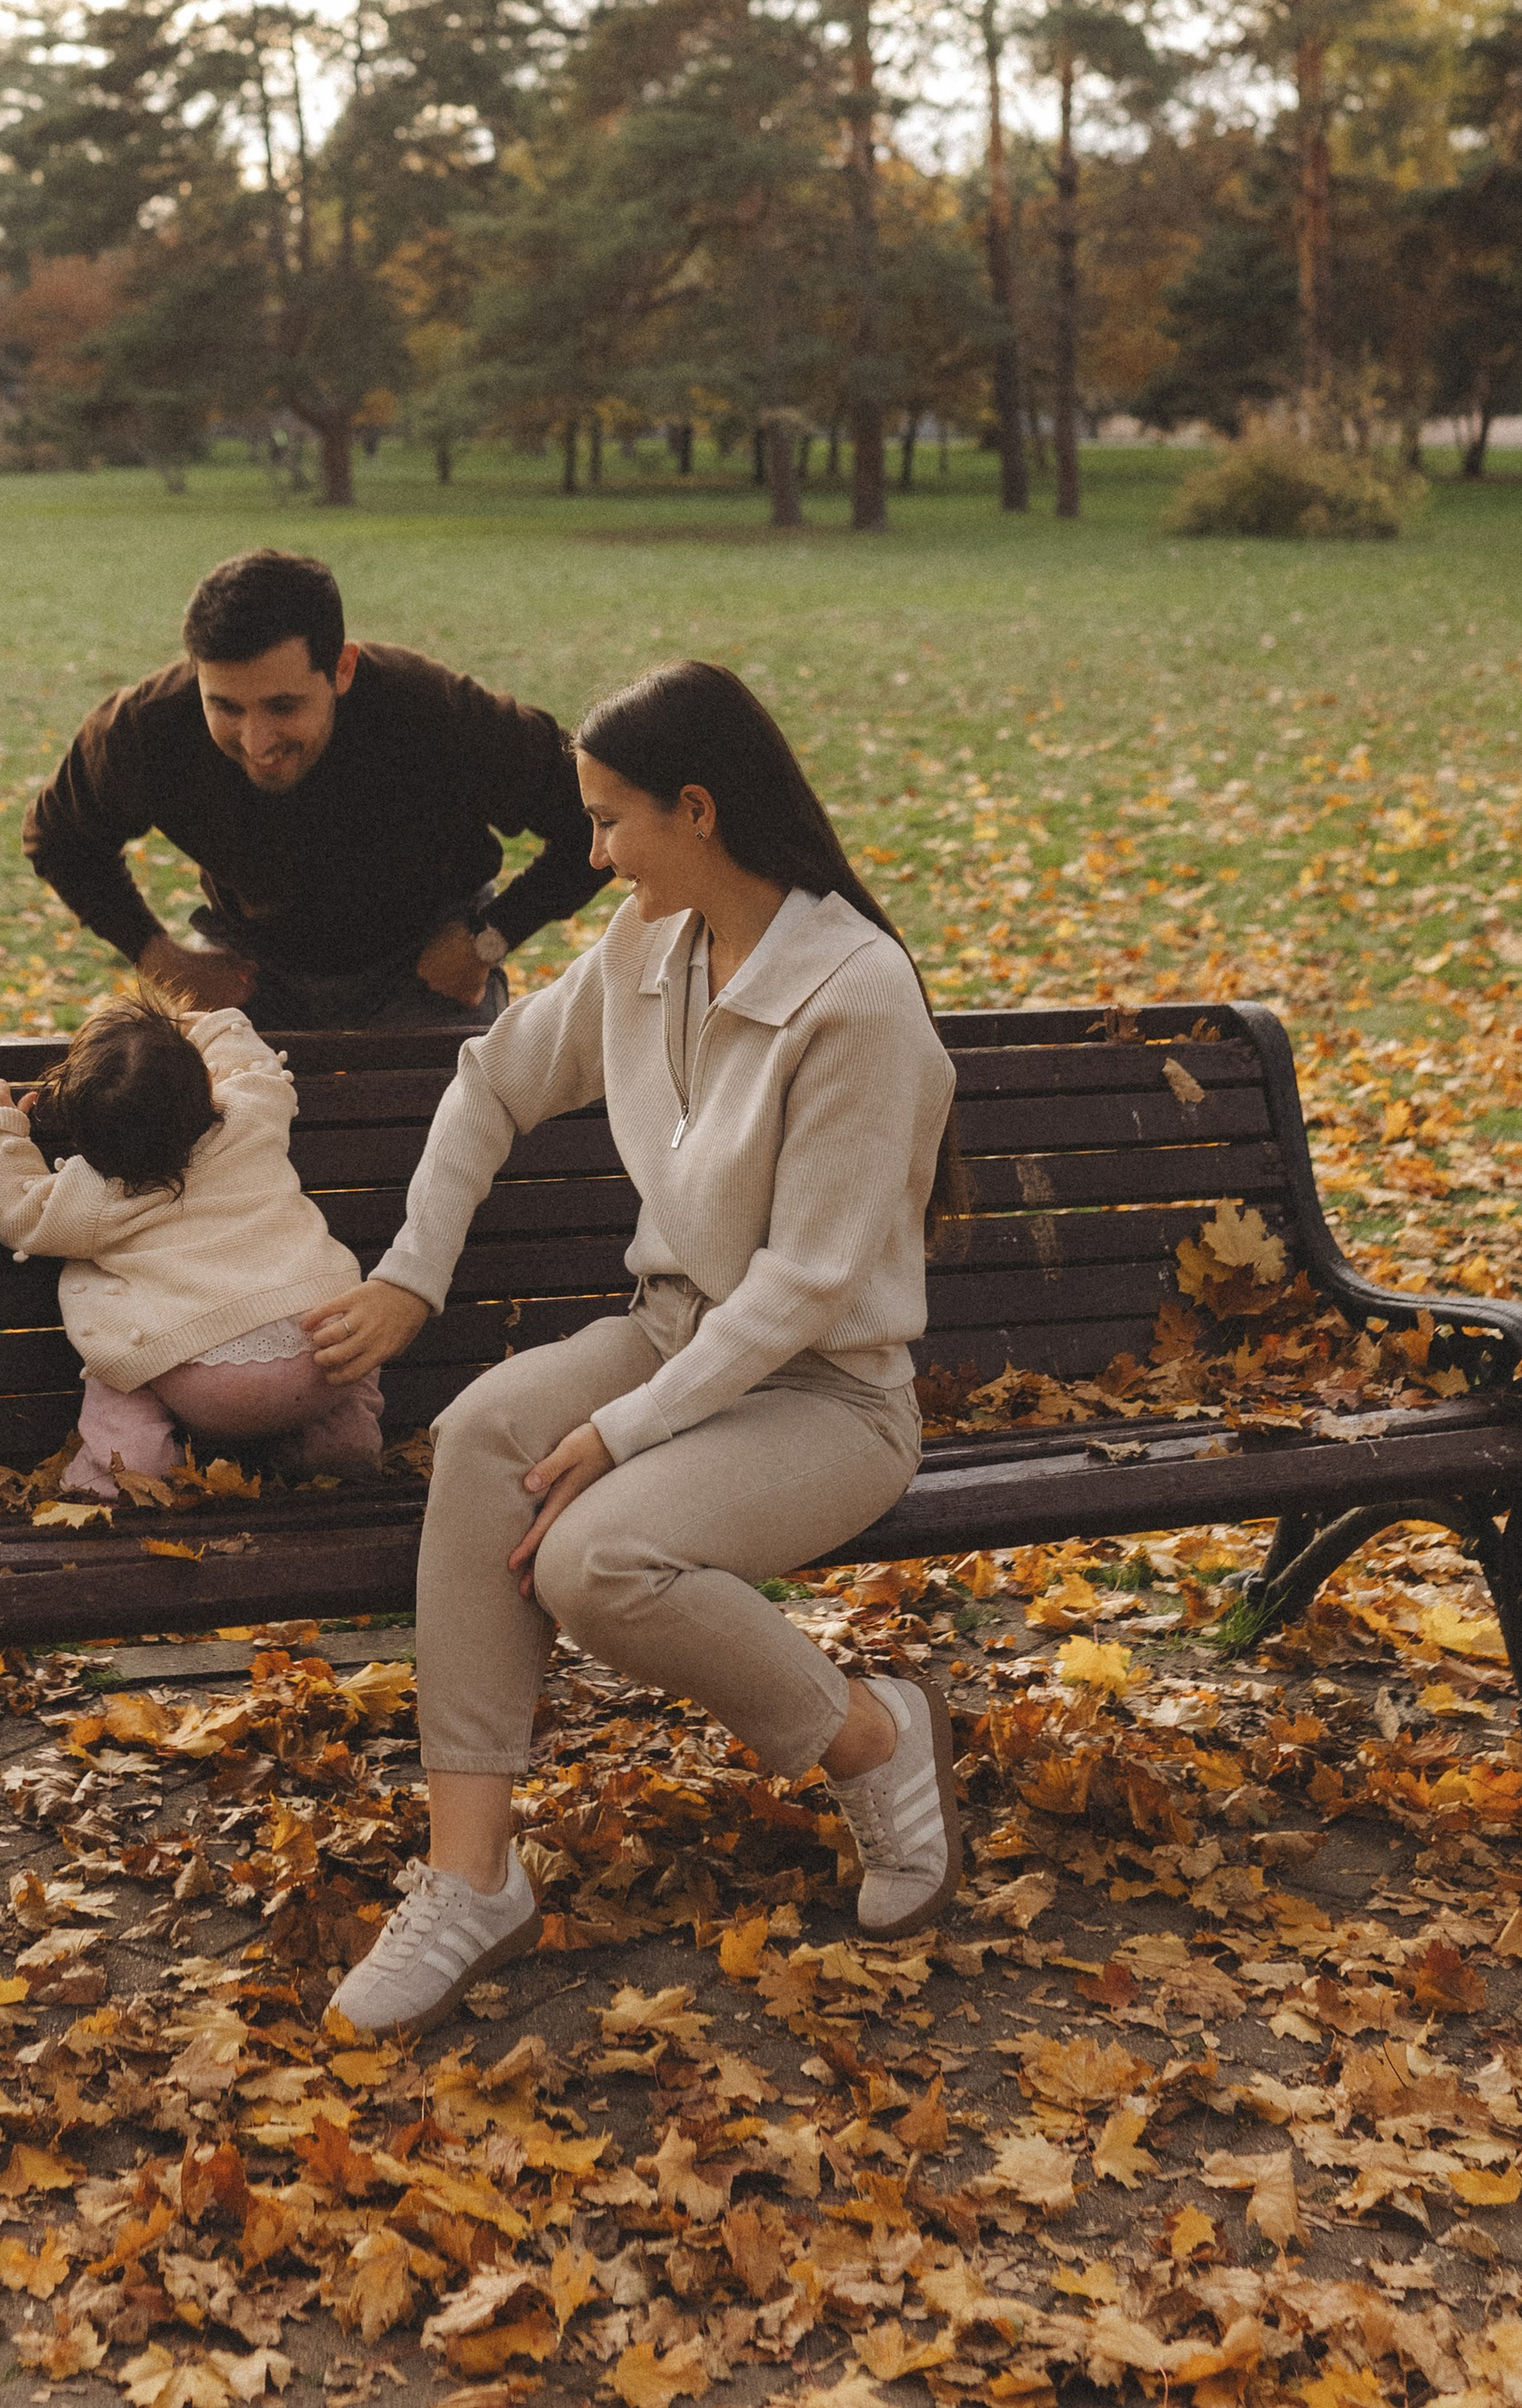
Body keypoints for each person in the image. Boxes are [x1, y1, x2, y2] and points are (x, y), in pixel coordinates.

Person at [302, 657, 966, 2036]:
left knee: (599, 1562)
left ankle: (871, 1735)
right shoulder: (646, 951)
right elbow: (490, 1081)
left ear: (698, 810)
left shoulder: (856, 997)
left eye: (610, 822)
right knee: (484, 1434)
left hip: (829, 1397)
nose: (594, 857)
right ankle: (471, 1879)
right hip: (674, 1334)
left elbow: (803, 1288)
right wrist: (413, 1273)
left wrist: (621, 1432)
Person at [23, 548, 606, 1033]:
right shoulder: (145, 727)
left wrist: (488, 939)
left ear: (342, 669)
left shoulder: (432, 710)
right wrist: (161, 959)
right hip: (252, 967)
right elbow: (59, 839)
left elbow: (599, 812)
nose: (256, 741)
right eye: (225, 706)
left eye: (283, 706)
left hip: (427, 959)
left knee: (446, 1128)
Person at [0, 993, 383, 1490]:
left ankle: (123, 1472)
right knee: (347, 1342)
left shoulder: (93, 1196)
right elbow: (251, 1062)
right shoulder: (253, 1113)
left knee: (124, 1361)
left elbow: (14, 1208)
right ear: (207, 1085)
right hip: (329, 1352)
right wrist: (205, 1025)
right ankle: (340, 1441)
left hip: (202, 1380)